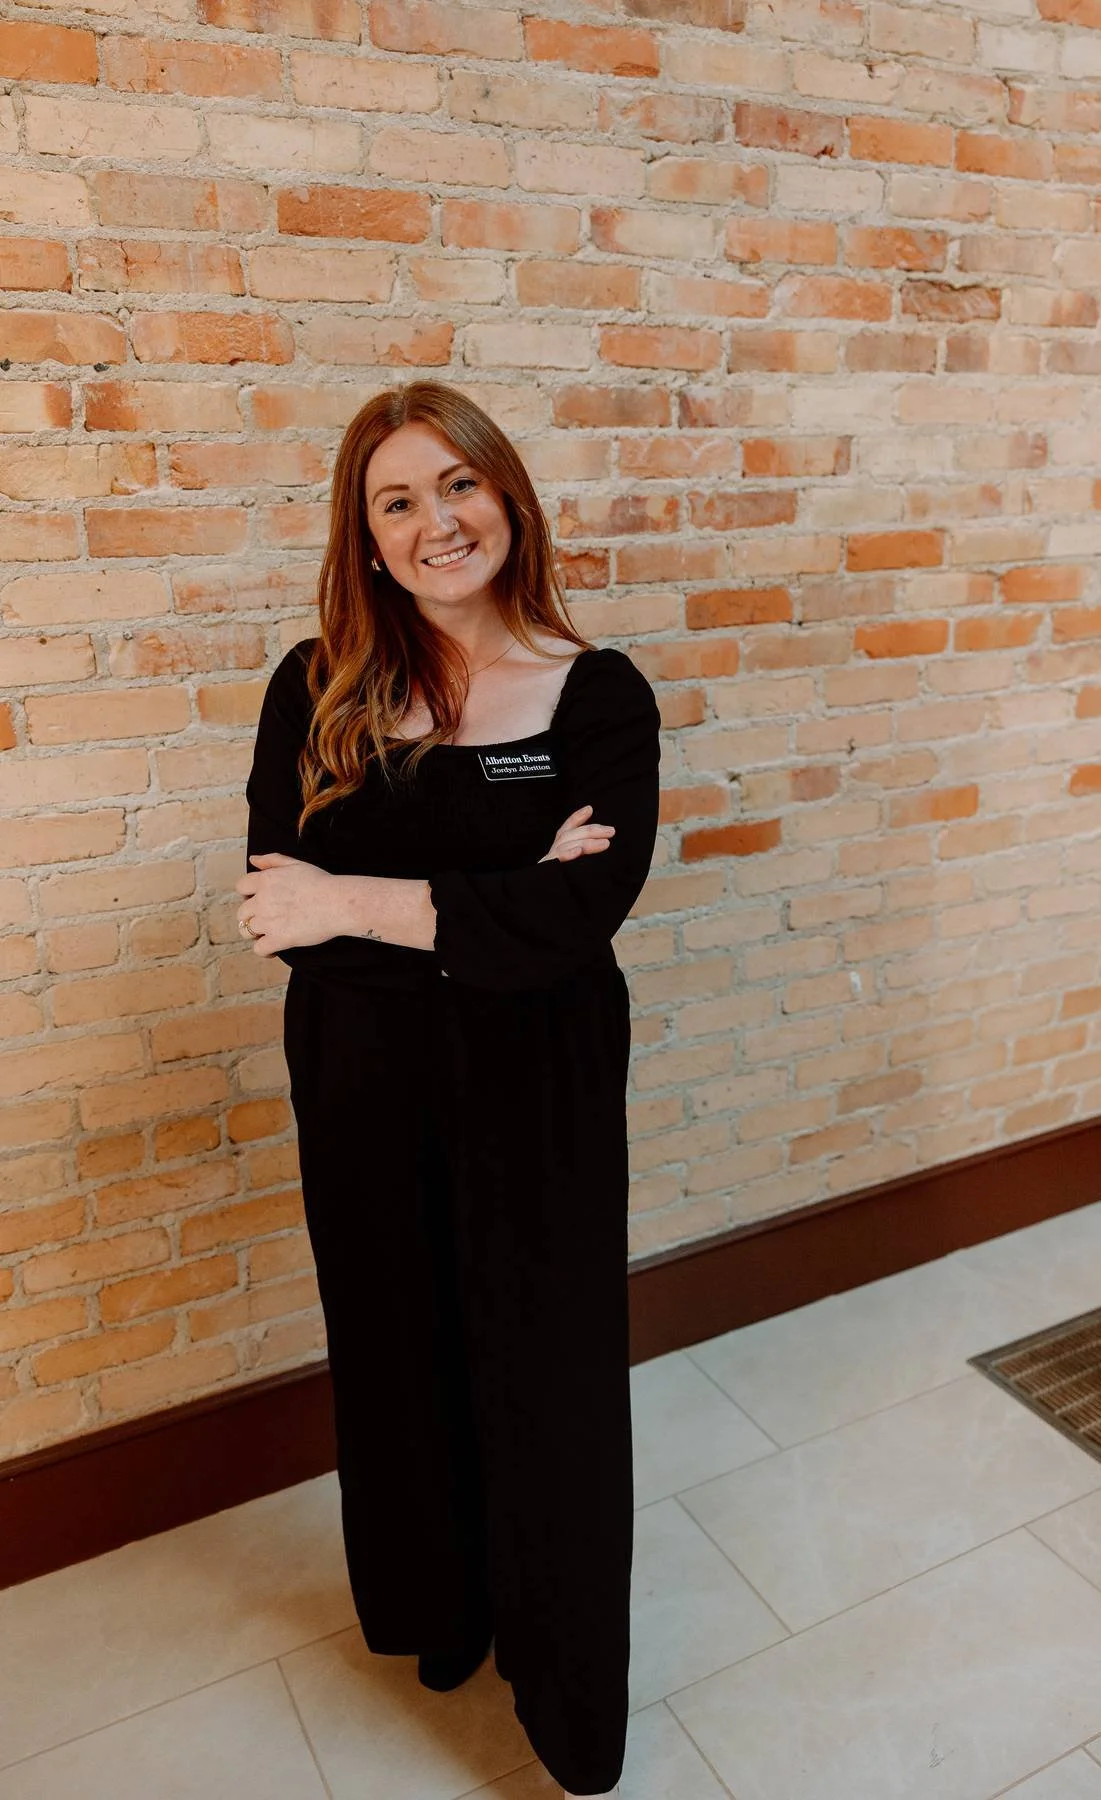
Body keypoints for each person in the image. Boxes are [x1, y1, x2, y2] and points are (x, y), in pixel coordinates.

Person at [236, 379, 661, 1798]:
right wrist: (483, 908)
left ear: (508, 497)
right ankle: (435, 1613)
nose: (436, 523)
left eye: (459, 485)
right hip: (360, 1082)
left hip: (536, 1085)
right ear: (363, 539)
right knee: (397, 1352)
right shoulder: (314, 686)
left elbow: (581, 918)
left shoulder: (599, 695)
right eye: (397, 501)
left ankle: (562, 1693)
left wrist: (359, 901)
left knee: (542, 1374)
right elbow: (274, 908)